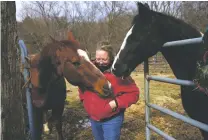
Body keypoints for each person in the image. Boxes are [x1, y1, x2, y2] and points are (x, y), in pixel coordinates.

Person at [78, 44, 140, 140]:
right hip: (93, 118)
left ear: (111, 58)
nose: (100, 62)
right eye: (98, 59)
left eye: (104, 59)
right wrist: (84, 100)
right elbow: (82, 86)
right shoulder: (89, 70)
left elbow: (134, 93)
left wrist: (116, 103)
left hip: (111, 119)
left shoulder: (118, 73)